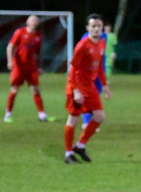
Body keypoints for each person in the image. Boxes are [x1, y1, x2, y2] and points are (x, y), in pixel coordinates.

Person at [63, 14, 112, 164]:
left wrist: (105, 86)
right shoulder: (82, 45)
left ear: (102, 28)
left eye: (98, 26)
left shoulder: (102, 43)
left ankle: (80, 146)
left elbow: (99, 67)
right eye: (93, 26)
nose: (96, 29)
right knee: (73, 119)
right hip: (77, 86)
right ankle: (68, 153)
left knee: (99, 116)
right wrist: (75, 90)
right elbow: (72, 70)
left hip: (90, 86)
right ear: (88, 28)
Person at [5, 14, 54, 122]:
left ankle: (42, 115)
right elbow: (10, 46)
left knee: (36, 89)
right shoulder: (20, 32)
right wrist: (10, 61)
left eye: (36, 20)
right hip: (19, 67)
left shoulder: (38, 36)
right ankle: (7, 115)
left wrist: (39, 66)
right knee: (14, 89)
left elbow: (38, 52)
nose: (34, 22)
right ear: (27, 22)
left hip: (31, 67)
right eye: (32, 20)